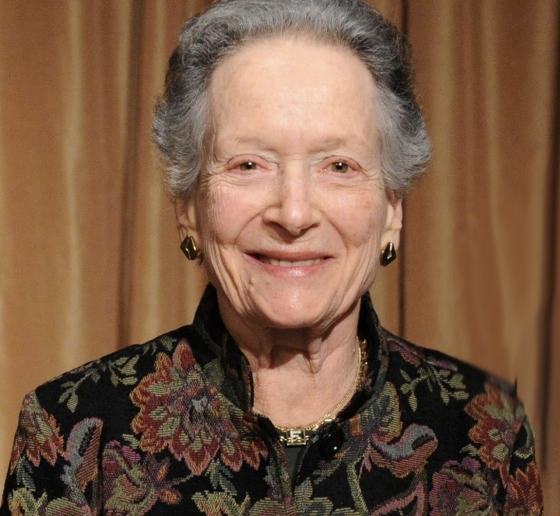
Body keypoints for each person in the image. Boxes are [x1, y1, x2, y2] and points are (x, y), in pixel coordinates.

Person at [0, 0, 543, 514]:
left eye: (338, 166)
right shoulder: (72, 431)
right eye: (249, 165)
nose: (294, 212)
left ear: (392, 209)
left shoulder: (485, 433)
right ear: (188, 204)